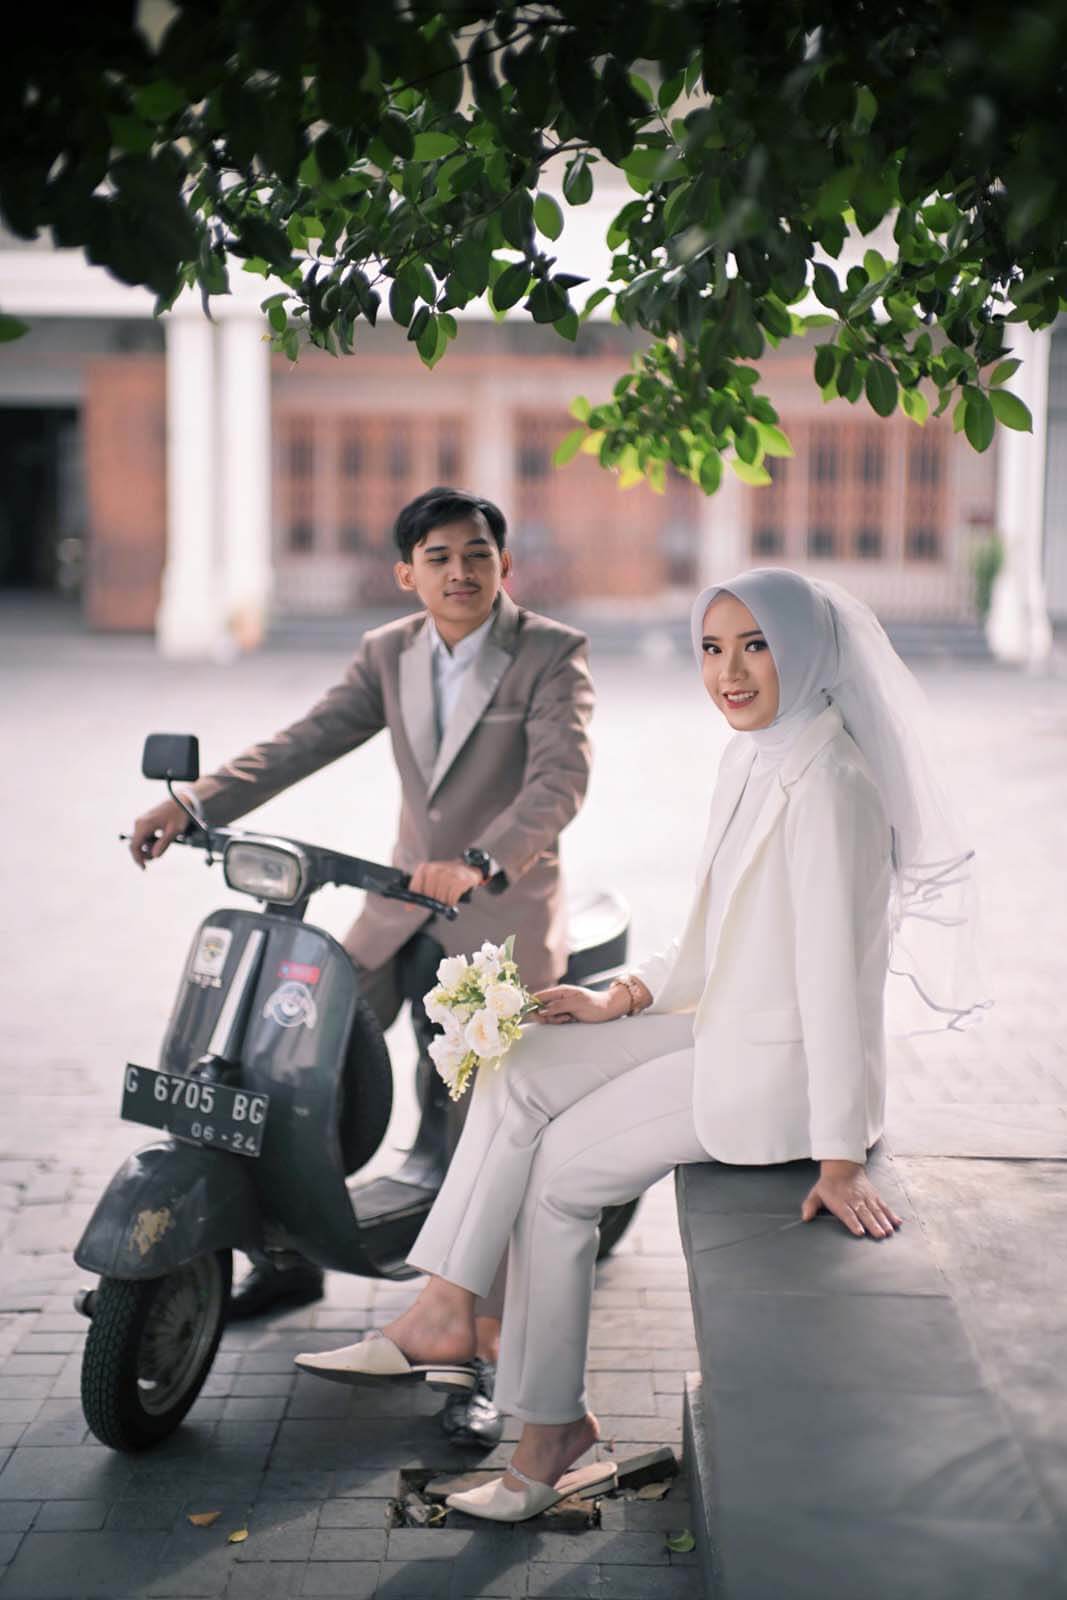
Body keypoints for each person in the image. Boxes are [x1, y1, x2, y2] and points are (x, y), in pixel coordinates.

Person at [295, 567, 988, 1522]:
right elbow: (710, 930)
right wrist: (618, 994)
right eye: (712, 648)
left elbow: (837, 981)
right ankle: (446, 1308)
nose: (729, 673)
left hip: (774, 1072)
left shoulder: (831, 783)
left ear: (807, 651)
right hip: (715, 1025)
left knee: (556, 1181)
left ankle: (547, 1432)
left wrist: (839, 1157)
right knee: (519, 1062)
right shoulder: (756, 755)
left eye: (756, 647)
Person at [128, 485, 594, 1446]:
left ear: (503, 564)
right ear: (406, 573)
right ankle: (286, 1250)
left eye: (476, 554)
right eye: (438, 557)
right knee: (290, 1048)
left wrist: (483, 861)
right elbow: (307, 738)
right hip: (397, 902)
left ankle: (480, 1346)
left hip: (499, 909)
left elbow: (561, 778)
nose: (459, 572)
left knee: (485, 1115)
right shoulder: (388, 652)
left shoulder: (551, 652)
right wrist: (195, 805)